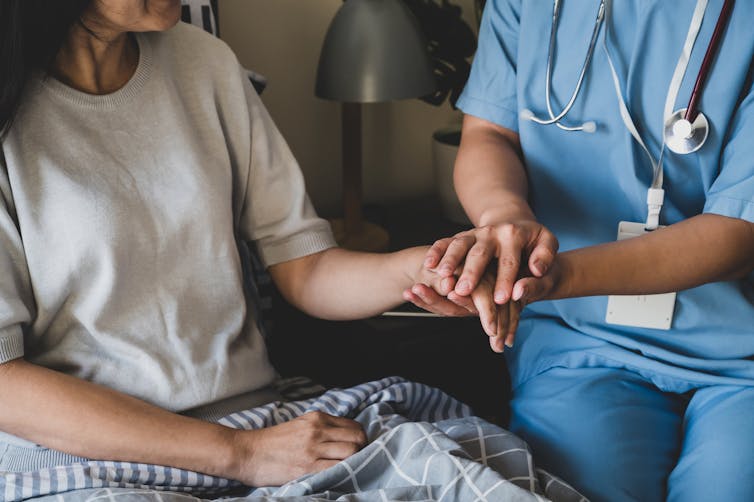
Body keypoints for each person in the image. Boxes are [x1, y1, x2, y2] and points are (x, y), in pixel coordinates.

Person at [0, 0, 503, 488]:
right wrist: (241, 455)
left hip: (262, 421)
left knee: (481, 470)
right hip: (86, 458)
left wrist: (416, 270)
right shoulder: (11, 114)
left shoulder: (205, 62)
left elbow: (306, 267)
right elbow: (6, 385)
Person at [406, 0, 754, 501]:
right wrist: (507, 220)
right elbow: (489, 133)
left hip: (738, 348)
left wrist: (557, 276)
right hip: (578, 336)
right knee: (579, 489)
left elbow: (737, 232)